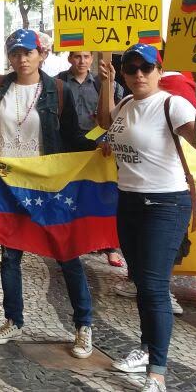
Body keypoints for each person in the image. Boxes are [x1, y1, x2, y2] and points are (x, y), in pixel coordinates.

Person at [0, 28, 97, 359]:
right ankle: (13, 319)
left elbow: (73, 135)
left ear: (40, 54)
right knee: (10, 257)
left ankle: (83, 325)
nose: (21, 58)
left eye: (28, 52)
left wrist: (100, 145)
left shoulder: (58, 90)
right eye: (15, 53)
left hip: (47, 186)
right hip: (7, 186)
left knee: (67, 254)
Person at [97, 44, 196, 392]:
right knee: (142, 285)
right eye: (131, 69)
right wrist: (107, 83)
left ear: (159, 71)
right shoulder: (124, 104)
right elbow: (107, 123)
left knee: (154, 288)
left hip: (165, 205)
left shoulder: (172, 104)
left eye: (146, 68)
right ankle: (145, 348)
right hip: (130, 202)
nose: (138, 74)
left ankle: (158, 371)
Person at [55, 50, 124, 267]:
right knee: (70, 194)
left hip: (99, 147)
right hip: (69, 146)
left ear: (92, 59)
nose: (82, 61)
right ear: (69, 59)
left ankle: (109, 246)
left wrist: (109, 86)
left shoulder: (103, 82)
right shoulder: (58, 83)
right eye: (77, 57)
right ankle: (70, 241)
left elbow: (121, 110)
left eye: (86, 57)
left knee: (102, 194)